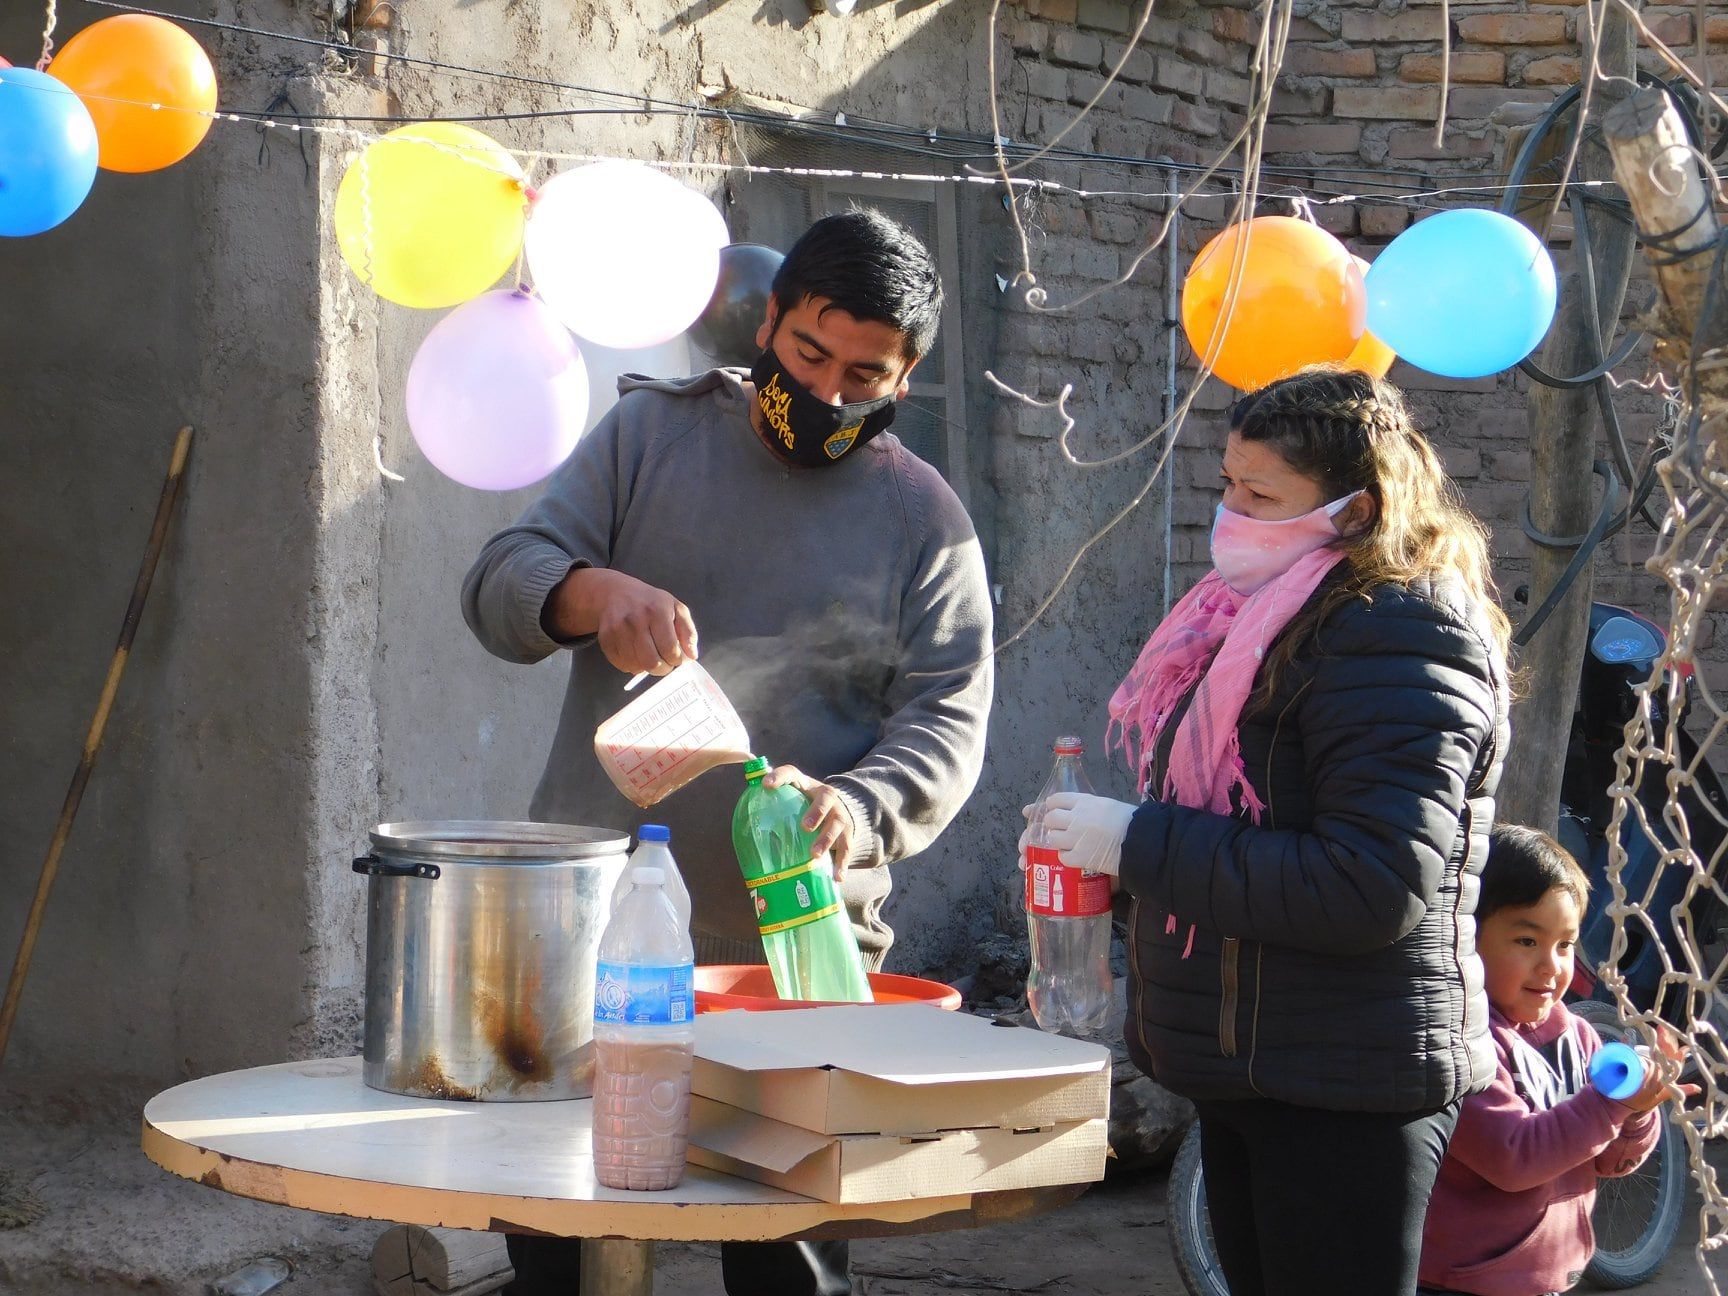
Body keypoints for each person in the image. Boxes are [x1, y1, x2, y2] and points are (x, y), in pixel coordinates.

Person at [462, 209, 993, 1296]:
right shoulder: (647, 441)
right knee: (564, 1238)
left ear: (907, 376)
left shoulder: (923, 518)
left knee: (787, 1261)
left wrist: (859, 804)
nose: (830, 392)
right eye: (809, 353)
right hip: (603, 933)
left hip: (797, 953)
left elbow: (949, 717)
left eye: (865, 376)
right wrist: (586, 593)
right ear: (770, 324)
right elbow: (498, 582)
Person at [1031, 366, 1511, 1295]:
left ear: (1353, 509)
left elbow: (1367, 884)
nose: (1231, 512)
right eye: (1227, 484)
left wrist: (1137, 844)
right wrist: (1109, 860)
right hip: (1253, 1064)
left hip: (1346, 1079)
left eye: (1261, 495)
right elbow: (1244, 823)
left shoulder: (1401, 633)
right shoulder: (1255, 616)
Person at [1418, 825, 1680, 1296]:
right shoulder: (1461, 1043)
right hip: (1468, 1282)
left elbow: (1609, 1160)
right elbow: (1515, 1157)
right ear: (1467, 936)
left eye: (1564, 944)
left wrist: (1638, 1110)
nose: (1552, 965)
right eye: (1526, 941)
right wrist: (1609, 1107)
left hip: (1552, 1278)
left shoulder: (1577, 1036)